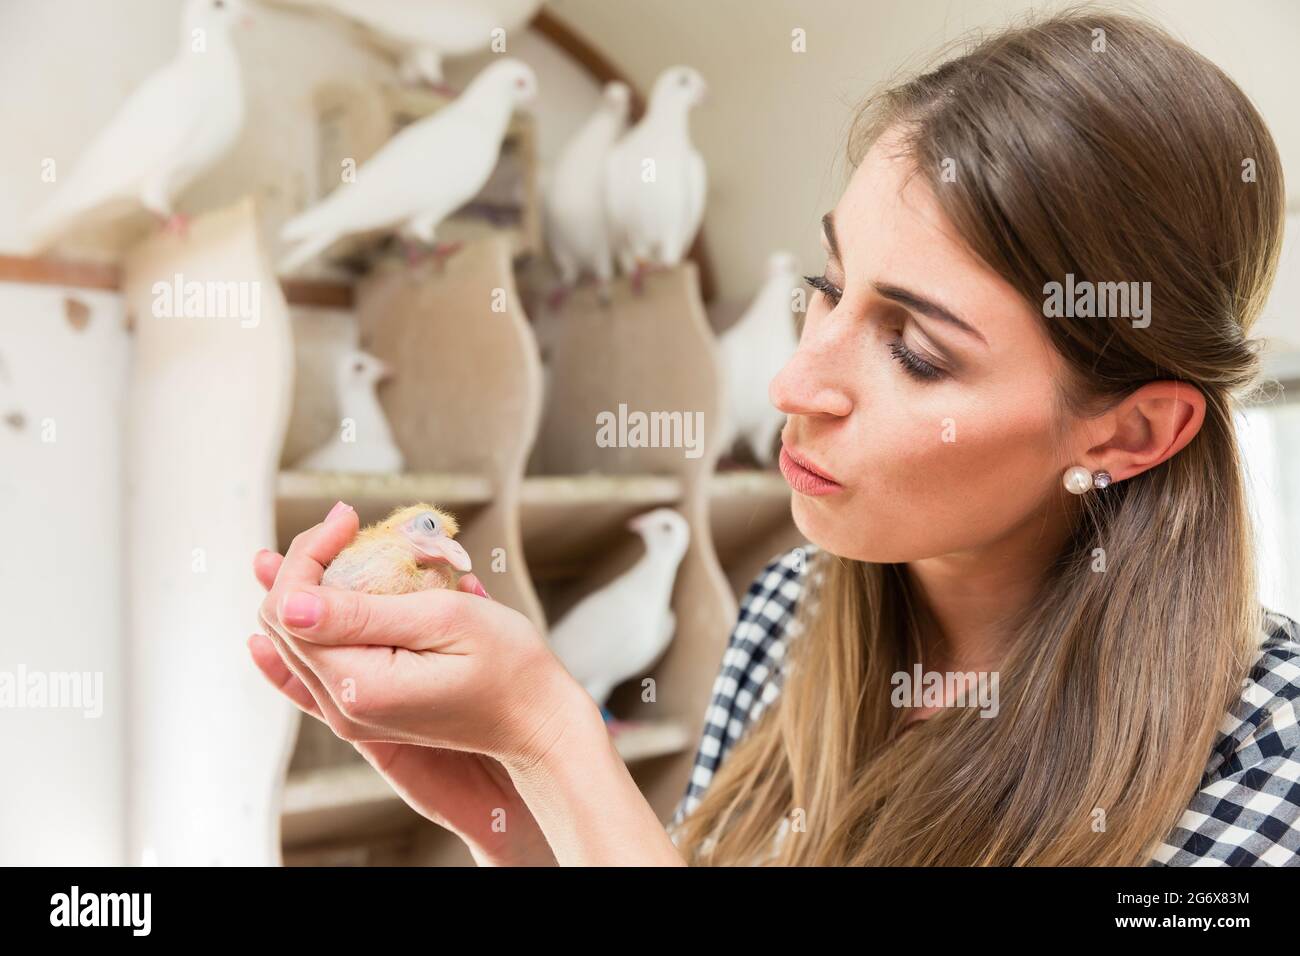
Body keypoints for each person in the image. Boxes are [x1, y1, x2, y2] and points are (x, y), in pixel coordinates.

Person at [249, 8, 1299, 866]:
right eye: (824, 288)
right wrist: (511, 810)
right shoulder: (785, 615)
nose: (794, 380)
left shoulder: (1273, 747)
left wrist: (553, 734)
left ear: (1129, 433)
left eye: (917, 353)